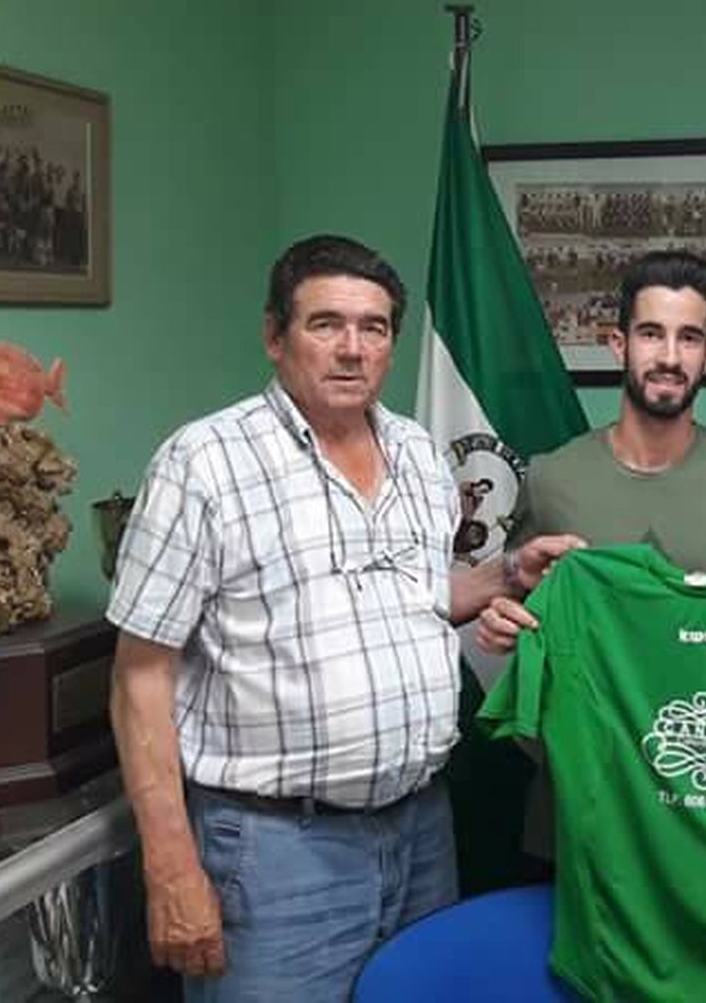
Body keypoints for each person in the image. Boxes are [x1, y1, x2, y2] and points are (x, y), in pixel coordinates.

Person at [107, 234, 581, 1000]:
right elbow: (140, 674)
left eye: (374, 327)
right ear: (275, 335)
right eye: (326, 324)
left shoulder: (419, 453)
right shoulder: (204, 463)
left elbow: (416, 596)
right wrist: (170, 867)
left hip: (422, 831)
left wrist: (504, 574)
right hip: (275, 852)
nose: (352, 349)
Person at [476, 248, 706, 654]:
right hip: (583, 714)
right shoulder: (551, 478)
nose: (670, 357)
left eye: (689, 338)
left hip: (705, 713)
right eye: (651, 334)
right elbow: (520, 606)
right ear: (620, 344)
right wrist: (503, 624)